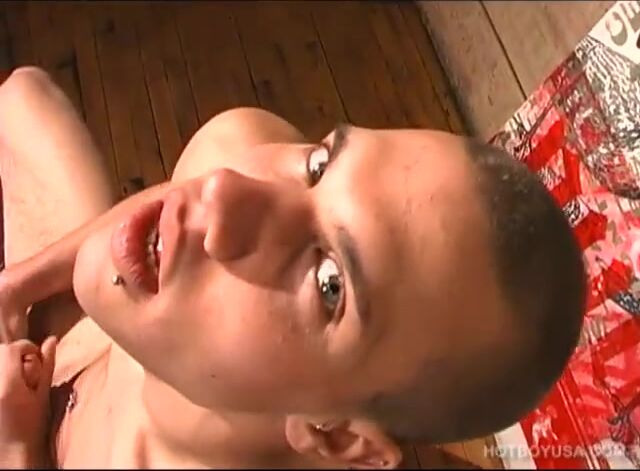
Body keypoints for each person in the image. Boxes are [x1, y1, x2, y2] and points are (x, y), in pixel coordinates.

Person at [0, 66, 586, 469]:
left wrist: (20, 449)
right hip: (88, 352)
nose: (222, 189)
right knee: (22, 97)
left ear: (338, 436)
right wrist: (17, 284)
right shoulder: (240, 147)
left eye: (329, 285)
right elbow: (164, 206)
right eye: (321, 165)